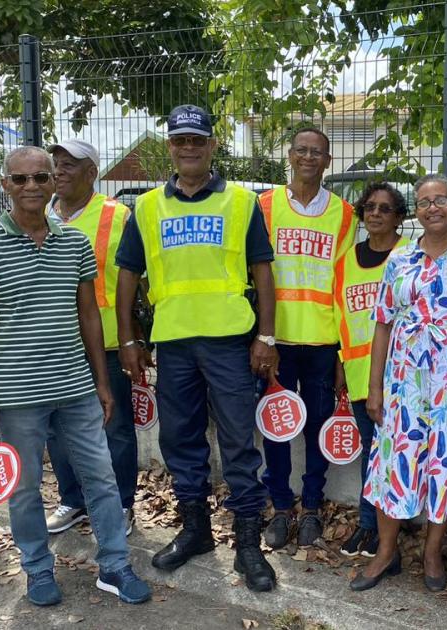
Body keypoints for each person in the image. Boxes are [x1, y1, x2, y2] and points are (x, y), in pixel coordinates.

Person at [0, 146, 150, 607]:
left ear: (53, 183)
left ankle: (115, 565)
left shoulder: (74, 242)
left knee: (102, 478)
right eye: (21, 179)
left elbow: (88, 314)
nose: (32, 187)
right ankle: (37, 570)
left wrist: (102, 383)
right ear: (5, 184)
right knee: (25, 488)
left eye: (41, 178)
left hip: (75, 388)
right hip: (17, 393)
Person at [114, 105, 279, 592]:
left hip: (229, 341)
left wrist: (265, 336)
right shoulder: (145, 208)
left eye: (197, 140)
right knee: (180, 441)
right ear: (170, 146)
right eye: (180, 140)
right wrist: (129, 338)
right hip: (173, 343)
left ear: (212, 145)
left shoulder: (242, 203)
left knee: (237, 442)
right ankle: (196, 531)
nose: (189, 148)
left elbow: (263, 271)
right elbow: (128, 275)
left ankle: (247, 543)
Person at [350, 173, 447, 592]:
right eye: (423, 202)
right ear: (415, 212)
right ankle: (385, 552)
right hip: (405, 381)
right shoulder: (399, 260)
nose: (432, 207)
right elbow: (382, 325)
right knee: (392, 464)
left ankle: (433, 552)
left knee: (444, 462)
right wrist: (375, 387)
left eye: (441, 200)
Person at [257, 127, 355, 549]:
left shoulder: (345, 214)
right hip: (275, 340)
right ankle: (280, 506)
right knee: (276, 428)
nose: (309, 157)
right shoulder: (263, 206)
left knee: (318, 427)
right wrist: (263, 336)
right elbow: (256, 273)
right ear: (290, 156)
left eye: (318, 152)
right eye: (302, 150)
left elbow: (345, 284)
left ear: (328, 161)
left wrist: (342, 353)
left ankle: (312, 506)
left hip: (321, 341)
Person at [42, 139, 138, 536]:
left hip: (108, 344)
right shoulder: (38, 216)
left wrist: (135, 340)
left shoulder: (118, 216)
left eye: (69, 165)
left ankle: (122, 503)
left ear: (92, 173)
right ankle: (73, 500)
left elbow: (137, 284)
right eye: (56, 164)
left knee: (113, 427)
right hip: (54, 344)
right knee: (56, 429)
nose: (59, 171)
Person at [332, 182, 410, 558]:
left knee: (401, 455)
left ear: (399, 217)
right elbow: (339, 317)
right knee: (373, 454)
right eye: (370, 207)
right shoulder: (345, 261)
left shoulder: (410, 255)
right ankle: (370, 526)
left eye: (385, 208)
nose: (376, 214)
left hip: (407, 375)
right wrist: (341, 365)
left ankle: (389, 529)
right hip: (363, 374)